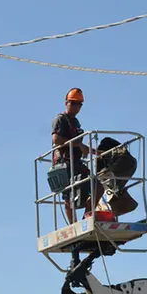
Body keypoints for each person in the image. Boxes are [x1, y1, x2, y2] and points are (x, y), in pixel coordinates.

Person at [51, 88, 101, 223]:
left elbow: (79, 144)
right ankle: (73, 224)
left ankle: (86, 219)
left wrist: (95, 152)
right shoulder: (60, 119)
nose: (75, 107)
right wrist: (79, 145)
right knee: (68, 195)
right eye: (73, 103)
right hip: (64, 162)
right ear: (66, 103)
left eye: (78, 104)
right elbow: (56, 140)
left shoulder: (76, 122)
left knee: (97, 186)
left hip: (76, 162)